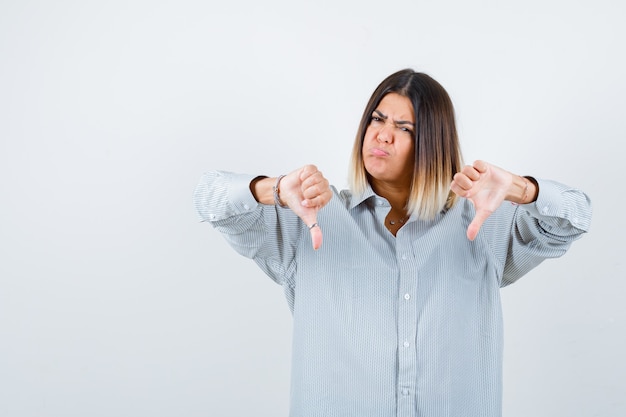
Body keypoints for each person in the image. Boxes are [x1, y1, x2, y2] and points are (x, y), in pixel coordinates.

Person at [193, 69, 592, 417]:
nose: (383, 134)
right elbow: (210, 199)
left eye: (405, 128)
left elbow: (574, 218)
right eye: (378, 119)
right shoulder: (313, 217)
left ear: (433, 145)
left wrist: (522, 190)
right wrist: (274, 189)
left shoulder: (479, 221)